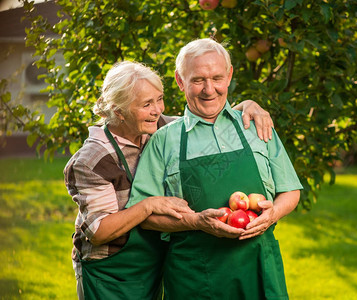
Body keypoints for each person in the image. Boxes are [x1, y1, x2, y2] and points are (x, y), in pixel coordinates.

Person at [63, 61, 275, 300]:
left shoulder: (163, 128)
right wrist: (149, 205)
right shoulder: (92, 160)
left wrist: (248, 107)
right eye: (146, 104)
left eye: (159, 99)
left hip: (154, 260)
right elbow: (98, 232)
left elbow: (211, 122)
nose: (157, 110)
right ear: (119, 111)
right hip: (110, 271)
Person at [128, 38, 303, 299]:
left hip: (258, 268)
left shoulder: (257, 127)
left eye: (217, 78)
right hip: (195, 276)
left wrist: (273, 214)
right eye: (198, 80)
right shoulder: (164, 141)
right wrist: (195, 222)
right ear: (180, 81)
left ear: (230, 75)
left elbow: (291, 190)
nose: (209, 90)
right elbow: (143, 215)